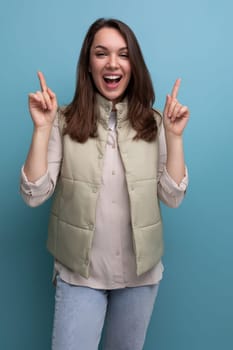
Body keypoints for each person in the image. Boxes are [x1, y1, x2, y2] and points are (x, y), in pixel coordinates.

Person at [20, 17, 189, 350]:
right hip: (79, 275)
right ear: (88, 64)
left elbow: (172, 197)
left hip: (141, 277)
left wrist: (175, 137)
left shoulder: (156, 123)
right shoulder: (63, 121)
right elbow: (34, 194)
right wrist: (41, 129)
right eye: (102, 53)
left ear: (133, 64)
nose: (113, 63)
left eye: (123, 54)